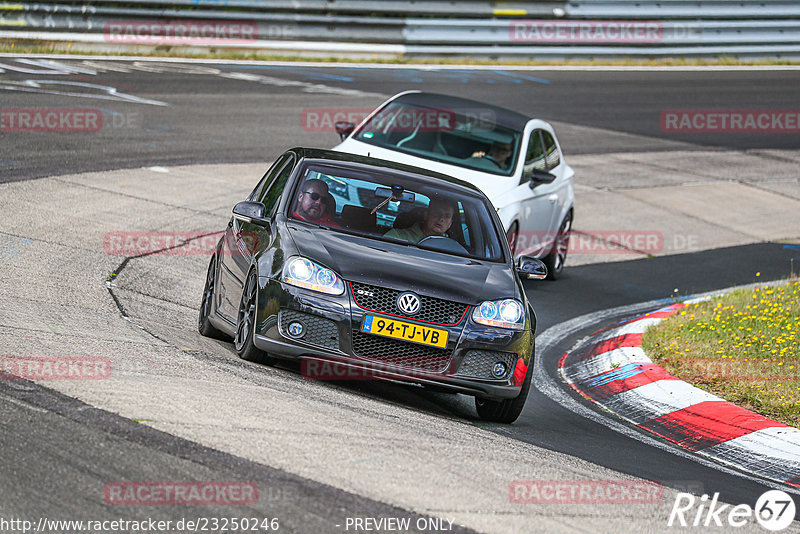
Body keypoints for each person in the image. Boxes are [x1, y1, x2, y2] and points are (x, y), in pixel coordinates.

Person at [384, 197, 455, 243]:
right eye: (437, 213)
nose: (441, 219)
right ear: (426, 215)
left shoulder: (453, 248)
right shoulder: (397, 236)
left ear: (450, 223)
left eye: (447, 216)